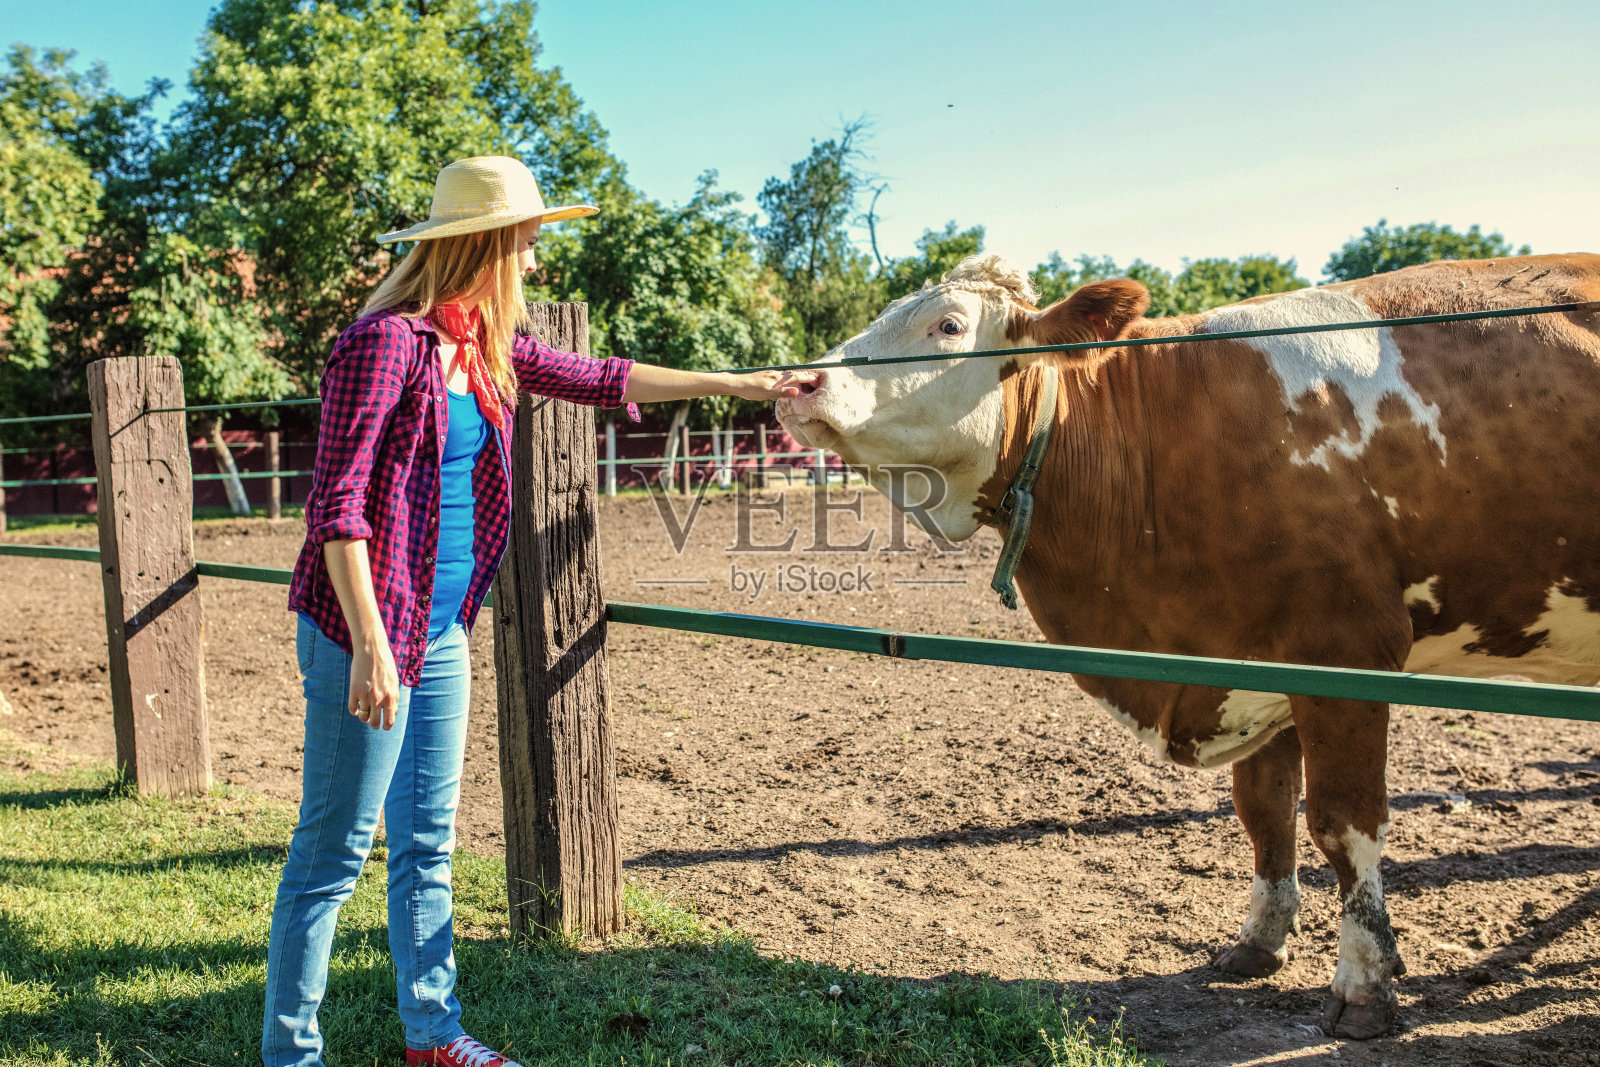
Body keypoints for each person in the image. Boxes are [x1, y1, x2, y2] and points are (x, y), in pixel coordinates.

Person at [264, 155, 811, 1067]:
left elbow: (604, 376)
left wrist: (748, 385)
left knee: (427, 848)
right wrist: (367, 644)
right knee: (334, 856)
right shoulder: (383, 344)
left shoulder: (483, 344)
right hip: (362, 634)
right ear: (484, 243)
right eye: (525, 237)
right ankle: (293, 1055)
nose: (533, 252)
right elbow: (338, 506)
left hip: (439, 631)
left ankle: (434, 1034)